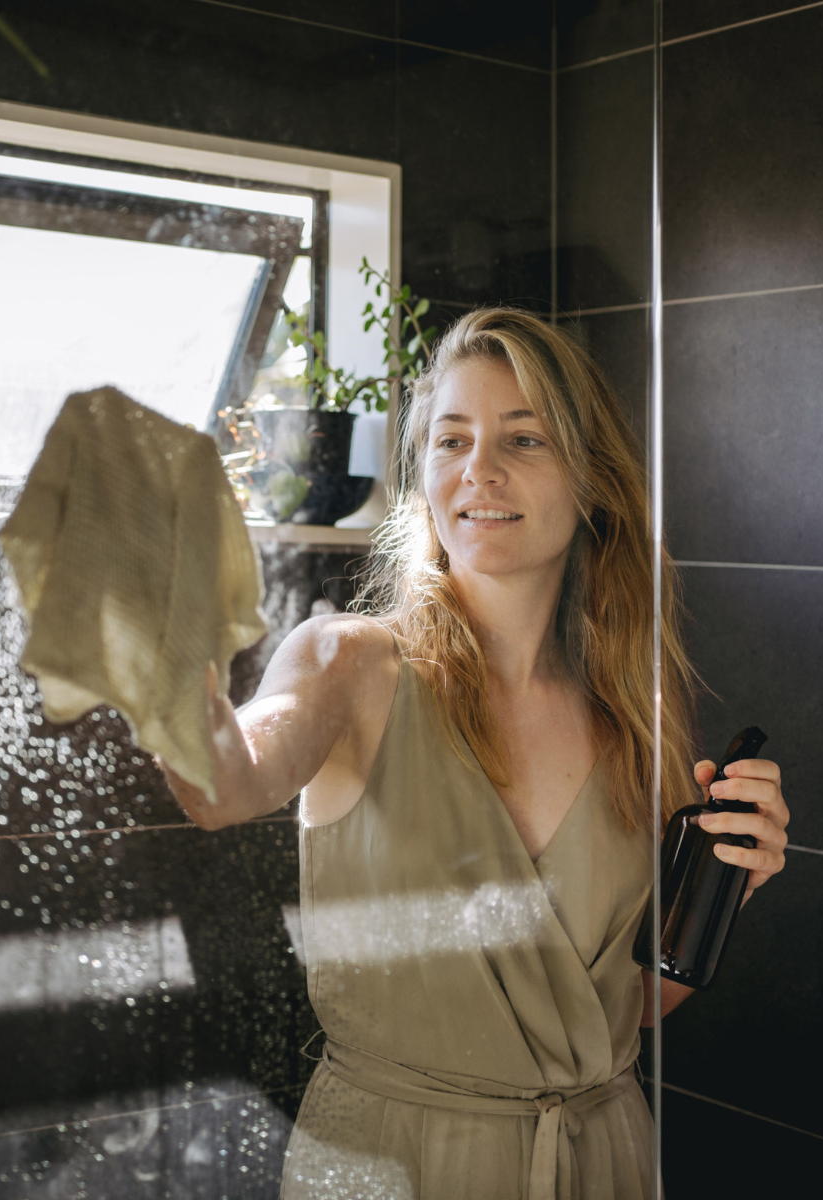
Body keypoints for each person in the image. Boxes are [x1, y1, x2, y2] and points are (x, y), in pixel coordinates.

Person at [160, 308, 790, 1200]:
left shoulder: (636, 717)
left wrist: (728, 882)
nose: (478, 471)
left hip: (601, 1162)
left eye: (523, 439)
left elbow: (633, 1008)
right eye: (451, 440)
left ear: (592, 479)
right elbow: (221, 786)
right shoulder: (349, 665)